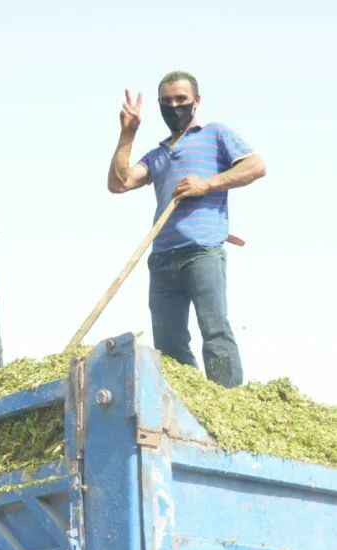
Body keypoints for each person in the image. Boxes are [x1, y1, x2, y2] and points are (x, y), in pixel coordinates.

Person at [107, 71, 265, 387]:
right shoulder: (158, 155)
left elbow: (255, 165)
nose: (174, 107)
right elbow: (119, 183)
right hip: (163, 255)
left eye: (181, 100)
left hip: (202, 250)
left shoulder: (215, 135)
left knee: (214, 328)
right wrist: (127, 135)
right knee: (169, 342)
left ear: (197, 101)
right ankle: (187, 401)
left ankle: (228, 401)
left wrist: (208, 184)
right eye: (167, 102)